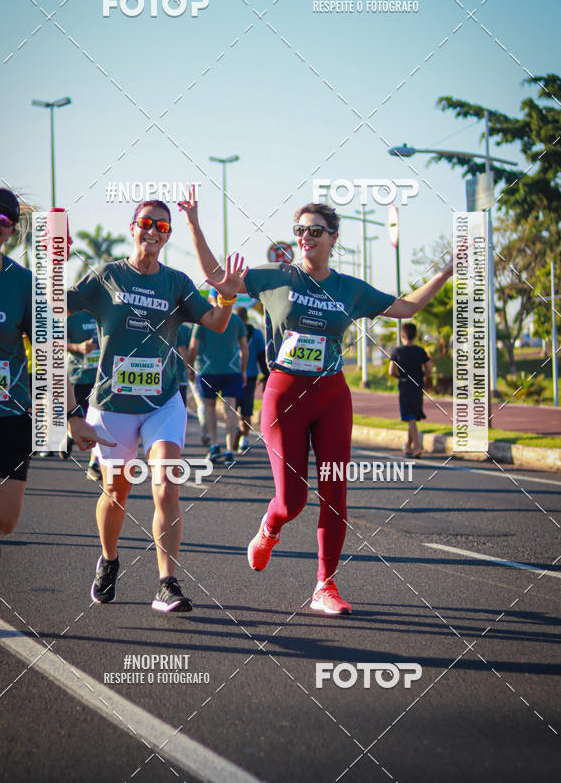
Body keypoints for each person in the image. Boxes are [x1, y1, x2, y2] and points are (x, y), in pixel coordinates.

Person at [180, 191, 452, 615]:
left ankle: (324, 586)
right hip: (284, 395)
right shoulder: (276, 277)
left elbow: (409, 306)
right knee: (292, 501)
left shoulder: (350, 289)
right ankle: (270, 525)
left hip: (331, 396)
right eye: (300, 230)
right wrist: (195, 224)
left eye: (315, 231)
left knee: (335, 494)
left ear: (333, 238)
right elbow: (220, 277)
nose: (306, 237)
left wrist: (448, 270)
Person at [66, 199, 245, 613]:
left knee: (165, 483)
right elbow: (55, 307)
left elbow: (217, 323)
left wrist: (228, 299)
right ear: (132, 228)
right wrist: (53, 262)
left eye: (162, 226)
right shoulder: (107, 276)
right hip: (113, 404)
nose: (153, 231)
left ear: (168, 235)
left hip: (163, 401)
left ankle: (167, 582)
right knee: (117, 490)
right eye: (146, 223)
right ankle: (109, 559)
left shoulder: (177, 283)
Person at [0, 188, 108, 636]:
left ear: (12, 231)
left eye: (6, 220)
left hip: (8, 411)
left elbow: (46, 351)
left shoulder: (23, 283)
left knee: (1, 517)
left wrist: (72, 416)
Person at [188, 290, 248, 467]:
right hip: (232, 370)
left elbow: (193, 347)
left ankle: (215, 446)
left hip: (208, 371)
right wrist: (243, 370)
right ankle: (230, 450)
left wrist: (190, 367)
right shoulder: (236, 320)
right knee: (230, 409)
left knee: (209, 406)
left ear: (210, 299)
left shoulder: (203, 320)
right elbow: (244, 349)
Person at [63, 309, 102, 480]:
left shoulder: (105, 312)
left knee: (99, 420)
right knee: (82, 417)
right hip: (79, 376)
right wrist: (77, 347)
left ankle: (94, 464)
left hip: (103, 378)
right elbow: (55, 342)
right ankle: (71, 434)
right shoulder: (72, 318)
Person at [389, 322, 433, 458]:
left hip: (405, 386)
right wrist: (421, 376)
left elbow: (391, 371)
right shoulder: (420, 351)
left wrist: (401, 377)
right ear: (416, 335)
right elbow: (429, 368)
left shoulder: (396, 351)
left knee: (411, 418)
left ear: (402, 335)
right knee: (412, 416)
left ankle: (417, 447)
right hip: (418, 386)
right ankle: (408, 445)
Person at [234, 306, 268, 454]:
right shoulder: (229, 332)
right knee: (234, 409)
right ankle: (238, 436)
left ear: (245, 319)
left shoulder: (257, 334)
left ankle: (242, 436)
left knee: (246, 412)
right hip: (233, 376)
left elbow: (261, 357)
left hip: (249, 377)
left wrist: (267, 376)